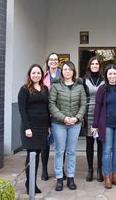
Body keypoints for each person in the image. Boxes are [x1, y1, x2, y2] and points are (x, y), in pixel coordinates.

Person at [48, 61, 87, 192]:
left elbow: (83, 104)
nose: (67, 72)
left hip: (75, 124)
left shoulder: (79, 87)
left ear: (73, 71)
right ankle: (59, 178)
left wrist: (76, 118)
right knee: (59, 151)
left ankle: (70, 177)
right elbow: (51, 104)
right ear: (62, 71)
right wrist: (64, 118)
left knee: (71, 151)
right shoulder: (56, 86)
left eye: (70, 69)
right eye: (65, 69)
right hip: (59, 124)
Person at [92, 64, 116, 189]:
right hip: (106, 124)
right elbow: (97, 108)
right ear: (106, 75)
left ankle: (115, 176)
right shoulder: (102, 89)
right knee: (107, 151)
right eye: (110, 74)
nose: (112, 76)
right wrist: (95, 125)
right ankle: (107, 177)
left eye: (114, 74)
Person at [18, 64, 50, 194]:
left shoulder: (45, 88)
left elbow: (47, 108)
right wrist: (27, 127)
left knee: (37, 155)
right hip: (30, 127)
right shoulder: (24, 89)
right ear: (29, 75)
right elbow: (22, 110)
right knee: (31, 156)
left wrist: (48, 126)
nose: (36, 75)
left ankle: (32, 183)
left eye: (38, 73)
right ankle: (29, 184)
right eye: (33, 73)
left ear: (42, 75)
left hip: (42, 128)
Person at [40, 52, 62, 181]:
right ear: (48, 61)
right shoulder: (43, 76)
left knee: (61, 143)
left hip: (60, 112)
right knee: (45, 144)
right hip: (46, 112)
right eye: (51, 59)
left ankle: (60, 170)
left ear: (58, 61)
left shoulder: (63, 74)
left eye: (55, 59)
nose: (53, 61)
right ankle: (44, 170)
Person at [83, 56, 105, 182]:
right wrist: (82, 117)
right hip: (88, 114)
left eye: (97, 64)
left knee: (101, 144)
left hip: (101, 114)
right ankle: (90, 170)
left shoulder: (104, 79)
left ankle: (99, 170)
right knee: (89, 144)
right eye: (93, 64)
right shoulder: (83, 80)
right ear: (89, 66)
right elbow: (82, 99)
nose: (95, 66)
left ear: (99, 66)